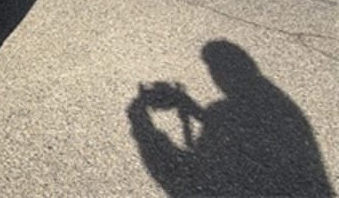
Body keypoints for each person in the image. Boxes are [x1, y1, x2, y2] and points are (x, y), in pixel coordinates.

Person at [128, 40, 333, 196]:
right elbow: (242, 131)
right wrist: (192, 108)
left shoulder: (226, 110)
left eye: (212, 69)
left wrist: (139, 119)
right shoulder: (279, 105)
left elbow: (180, 177)